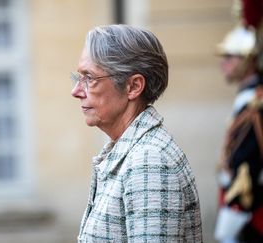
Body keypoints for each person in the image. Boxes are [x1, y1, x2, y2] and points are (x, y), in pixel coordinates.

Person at [71, 24, 202, 242]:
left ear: (133, 86)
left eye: (90, 78)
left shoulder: (150, 160)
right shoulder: (131, 151)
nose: (76, 91)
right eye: (78, 77)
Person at [214, 25, 263, 243]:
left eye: (231, 56)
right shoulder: (248, 98)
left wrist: (236, 208)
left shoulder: (256, 103)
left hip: (250, 206)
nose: (223, 63)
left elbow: (248, 160)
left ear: (249, 60)